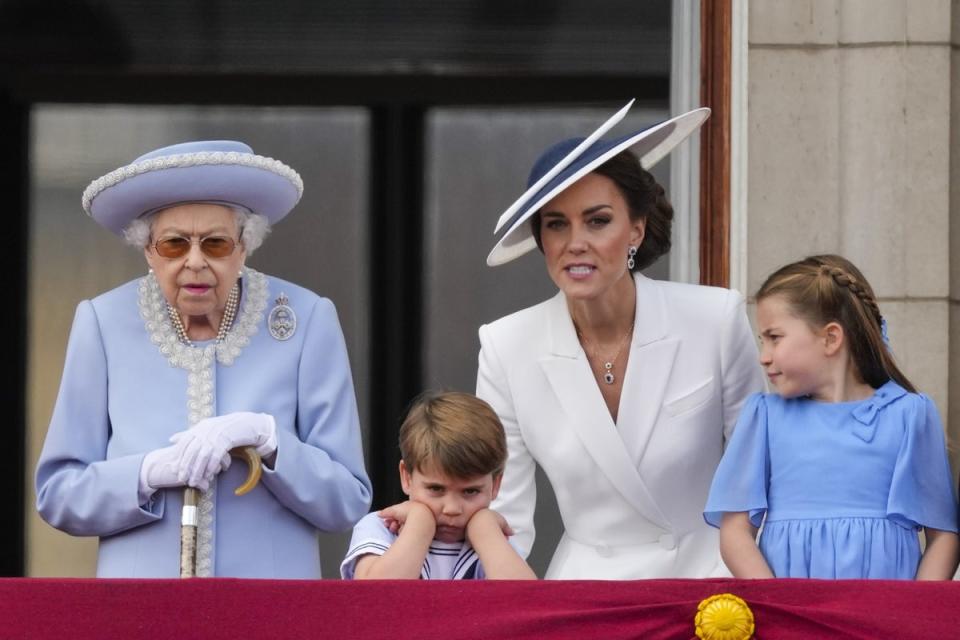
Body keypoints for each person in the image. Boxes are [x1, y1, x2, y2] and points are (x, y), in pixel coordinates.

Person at [35, 140, 372, 578]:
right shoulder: (102, 323)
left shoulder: (307, 320)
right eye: (175, 244)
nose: (195, 262)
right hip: (140, 611)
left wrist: (270, 442)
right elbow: (58, 494)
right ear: (148, 251)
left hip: (270, 609)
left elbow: (346, 500)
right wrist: (146, 473)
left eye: (215, 244)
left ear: (244, 247)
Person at [476, 102, 766, 579]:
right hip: (586, 594)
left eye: (597, 220)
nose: (575, 243)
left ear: (636, 228)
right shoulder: (506, 346)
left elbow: (758, 481)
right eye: (556, 224)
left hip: (711, 585)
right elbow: (504, 516)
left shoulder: (714, 317)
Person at [704, 254, 959, 579]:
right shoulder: (764, 418)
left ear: (831, 338)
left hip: (883, 620)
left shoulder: (910, 415)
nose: (763, 357)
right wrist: (780, 607)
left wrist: (913, 613)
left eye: (774, 338)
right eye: (761, 341)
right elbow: (735, 533)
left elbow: (943, 536)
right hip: (793, 617)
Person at [341, 391, 535, 580]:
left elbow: (527, 602)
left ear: (495, 485)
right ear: (406, 477)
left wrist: (485, 533)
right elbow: (372, 597)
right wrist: (420, 525)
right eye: (436, 489)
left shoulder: (494, 538)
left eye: (470, 491)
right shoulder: (381, 526)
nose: (452, 509)